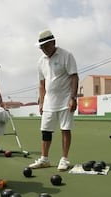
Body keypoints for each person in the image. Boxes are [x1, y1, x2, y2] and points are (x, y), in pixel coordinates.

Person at [28, 29, 79, 171]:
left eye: (45, 46)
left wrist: (73, 98)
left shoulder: (66, 55)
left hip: (65, 99)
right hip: (49, 101)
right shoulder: (40, 61)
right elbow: (41, 84)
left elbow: (74, 77)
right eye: (41, 47)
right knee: (45, 130)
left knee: (65, 129)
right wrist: (41, 102)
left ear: (53, 42)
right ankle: (44, 159)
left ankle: (64, 159)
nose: (43, 49)